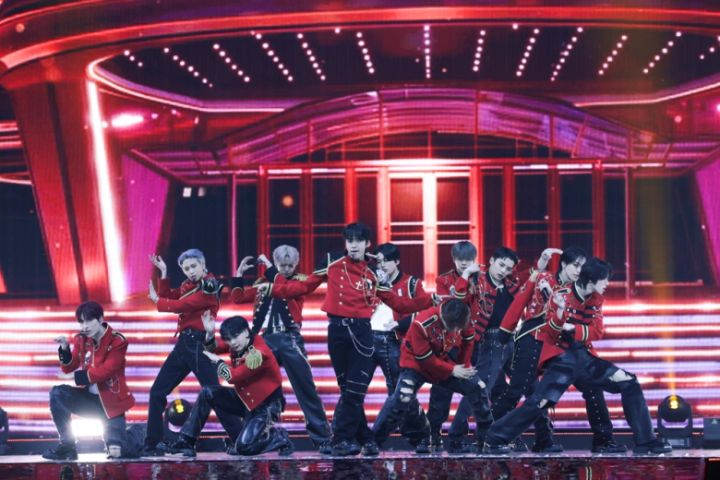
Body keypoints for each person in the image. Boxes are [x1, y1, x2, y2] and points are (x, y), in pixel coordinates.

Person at [266, 222, 435, 456]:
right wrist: (271, 282)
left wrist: (429, 300)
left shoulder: (374, 272)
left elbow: (399, 304)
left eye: (358, 241)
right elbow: (302, 287)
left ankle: (341, 440)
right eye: (349, 240)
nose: (353, 245)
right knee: (348, 391)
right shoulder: (332, 260)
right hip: (336, 332)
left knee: (354, 392)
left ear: (367, 244)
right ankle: (366, 440)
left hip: (362, 333)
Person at [483, 258, 672, 455]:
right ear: (591, 280)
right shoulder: (561, 295)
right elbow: (551, 330)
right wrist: (560, 313)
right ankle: (495, 438)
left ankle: (645, 441)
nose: (607, 284)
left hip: (583, 358)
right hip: (561, 359)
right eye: (604, 280)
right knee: (541, 402)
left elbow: (597, 331)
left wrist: (572, 328)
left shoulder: (596, 299)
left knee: (629, 382)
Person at [494, 246, 625, 453]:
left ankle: (603, 440)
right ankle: (489, 436)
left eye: (583, 267)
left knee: (592, 387)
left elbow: (591, 326)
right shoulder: (542, 278)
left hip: (564, 345)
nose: (579, 270)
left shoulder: (580, 290)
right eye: (576, 265)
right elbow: (519, 303)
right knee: (521, 391)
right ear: (563, 264)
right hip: (534, 339)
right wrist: (504, 333)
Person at [230, 245, 332, 453]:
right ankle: (247, 438)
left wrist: (269, 268)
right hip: (263, 340)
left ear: (296, 265)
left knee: (305, 388)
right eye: (281, 265)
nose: (285, 269)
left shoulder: (299, 282)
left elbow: (284, 288)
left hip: (289, 338)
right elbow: (238, 298)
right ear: (277, 263)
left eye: (289, 265)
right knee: (253, 387)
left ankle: (322, 438)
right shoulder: (264, 282)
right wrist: (238, 275)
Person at [142, 249, 242, 456]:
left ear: (203, 265)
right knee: (157, 392)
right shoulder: (189, 285)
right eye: (186, 268)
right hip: (184, 344)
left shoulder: (210, 286)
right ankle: (152, 444)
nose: (190, 271)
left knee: (215, 395)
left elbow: (182, 304)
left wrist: (156, 300)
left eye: (193, 266)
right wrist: (164, 273)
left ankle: (243, 439)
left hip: (199, 345)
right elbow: (171, 296)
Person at [428, 244, 522, 453]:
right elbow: (454, 305)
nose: (464, 263)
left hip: (491, 341)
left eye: (468, 259)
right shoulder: (457, 280)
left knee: (501, 389)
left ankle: (494, 436)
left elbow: (523, 283)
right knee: (448, 391)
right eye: (460, 259)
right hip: (456, 342)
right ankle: (440, 436)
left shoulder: (494, 280)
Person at [373, 299, 492, 453]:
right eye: (452, 328)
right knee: (403, 397)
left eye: (458, 328)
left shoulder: (464, 318)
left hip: (444, 360)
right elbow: (424, 358)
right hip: (416, 364)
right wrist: (452, 370)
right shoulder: (422, 323)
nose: (456, 331)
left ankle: (486, 438)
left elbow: (468, 342)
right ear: (442, 316)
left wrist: (462, 367)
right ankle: (374, 441)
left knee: (477, 387)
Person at [168, 316, 294, 457]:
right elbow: (213, 348)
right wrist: (210, 333)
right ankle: (186, 442)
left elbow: (234, 377)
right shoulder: (241, 343)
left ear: (246, 332)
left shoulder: (258, 353)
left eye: (235, 336)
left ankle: (278, 437)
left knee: (244, 448)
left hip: (265, 407)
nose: (232, 342)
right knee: (207, 392)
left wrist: (219, 362)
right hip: (246, 401)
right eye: (228, 339)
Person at [43, 301, 135, 460]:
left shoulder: (117, 341)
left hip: (111, 405)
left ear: (100, 319)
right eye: (81, 322)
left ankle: (138, 433)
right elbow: (68, 367)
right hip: (89, 401)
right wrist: (64, 347)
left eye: (88, 321)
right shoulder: (81, 339)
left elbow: (107, 371)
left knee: (117, 453)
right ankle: (67, 447)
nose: (84, 326)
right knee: (58, 393)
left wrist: (75, 377)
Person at [370, 242, 431, 453]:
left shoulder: (411, 283)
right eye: (378, 261)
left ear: (396, 261)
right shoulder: (369, 281)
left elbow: (425, 309)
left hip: (393, 340)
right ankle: (350, 438)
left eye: (386, 261)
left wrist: (400, 324)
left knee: (401, 392)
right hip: (365, 339)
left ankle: (419, 435)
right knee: (354, 391)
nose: (382, 265)